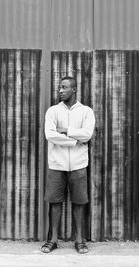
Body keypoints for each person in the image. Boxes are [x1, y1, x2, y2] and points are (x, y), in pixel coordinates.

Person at [41, 77, 95, 254]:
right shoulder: (53, 111)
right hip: (57, 164)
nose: (60, 91)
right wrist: (74, 141)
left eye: (64, 87)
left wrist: (66, 131)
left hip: (79, 164)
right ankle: (52, 240)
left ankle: (79, 240)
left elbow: (87, 135)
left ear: (74, 89)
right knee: (55, 201)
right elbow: (50, 135)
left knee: (79, 202)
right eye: (59, 88)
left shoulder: (86, 111)